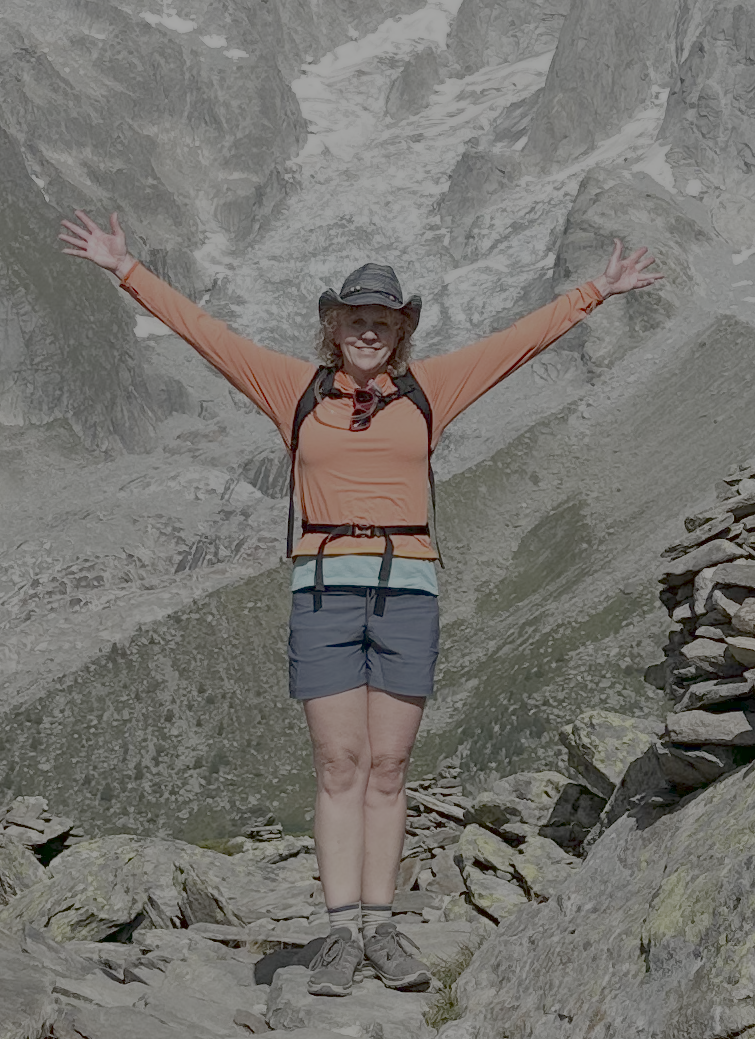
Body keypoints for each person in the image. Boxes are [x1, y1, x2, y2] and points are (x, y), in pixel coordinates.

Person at [57, 214, 662, 994]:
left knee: (389, 765)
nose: (369, 331)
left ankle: (381, 928)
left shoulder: (429, 390)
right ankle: (341, 933)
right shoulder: (295, 390)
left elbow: (517, 344)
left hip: (408, 590)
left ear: (402, 329)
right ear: (334, 327)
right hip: (324, 592)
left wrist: (596, 291)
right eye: (356, 319)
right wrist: (126, 269)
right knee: (340, 763)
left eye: (384, 319)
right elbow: (208, 336)